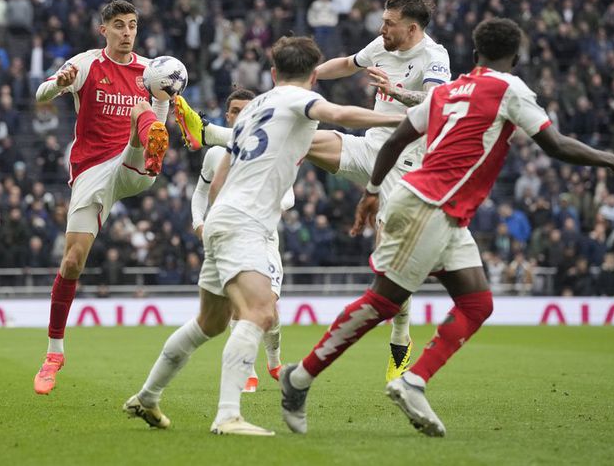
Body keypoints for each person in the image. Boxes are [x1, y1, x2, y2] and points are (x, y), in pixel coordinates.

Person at [279, 18, 614, 437]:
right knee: (384, 301)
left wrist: (373, 190)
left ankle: (412, 381)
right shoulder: (510, 89)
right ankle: (300, 377)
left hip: (443, 211)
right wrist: (611, 159)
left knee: (477, 304)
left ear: (473, 55)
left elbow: (396, 139)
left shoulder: (446, 93)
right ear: (516, 60)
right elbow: (555, 144)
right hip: (428, 205)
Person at [124, 36, 404, 436]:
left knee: (209, 321)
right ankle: (227, 415)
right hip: (246, 222)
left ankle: (147, 397)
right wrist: (405, 119)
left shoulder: (255, 107)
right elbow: (340, 113)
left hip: (223, 218)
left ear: (273, 74)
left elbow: (222, 171)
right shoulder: (297, 100)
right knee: (261, 313)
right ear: (312, 77)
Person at [173, 0, 451, 382]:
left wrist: (396, 91)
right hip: (369, 147)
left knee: (388, 269)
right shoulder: (381, 44)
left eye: (389, 24)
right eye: (383, 21)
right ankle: (211, 132)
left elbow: (436, 105)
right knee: (298, 135)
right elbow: (347, 64)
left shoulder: (434, 57)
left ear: (411, 27)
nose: (381, 28)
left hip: (405, 166)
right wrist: (307, 76)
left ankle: (401, 340)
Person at [32, 0, 174, 395]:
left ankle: (154, 149)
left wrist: (152, 140)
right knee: (72, 261)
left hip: (133, 162)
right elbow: (41, 96)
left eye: (132, 25)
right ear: (104, 29)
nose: (127, 32)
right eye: (119, 25)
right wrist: (59, 84)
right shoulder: (86, 64)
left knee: (143, 113)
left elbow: (157, 120)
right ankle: (54, 352)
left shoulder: (151, 71)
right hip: (92, 171)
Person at [190, 88, 287, 392]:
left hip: (264, 237)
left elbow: (290, 197)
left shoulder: (272, 148)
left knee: (269, 309)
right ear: (227, 114)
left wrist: (255, 205)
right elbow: (200, 193)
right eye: (235, 110)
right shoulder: (215, 154)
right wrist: (199, 223)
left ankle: (274, 358)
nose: (241, 115)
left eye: (247, 109)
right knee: (238, 304)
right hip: (230, 238)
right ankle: (247, 369)